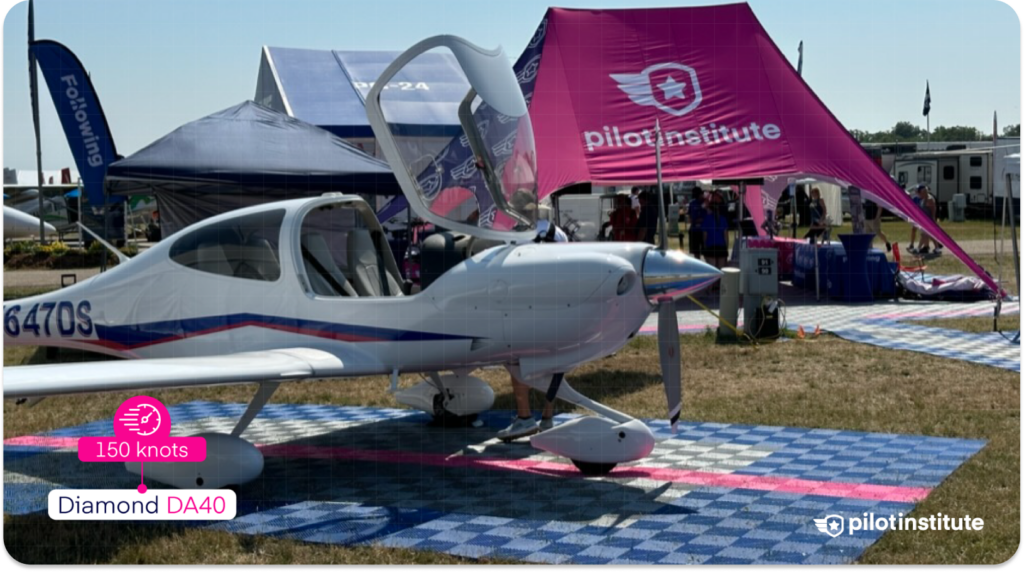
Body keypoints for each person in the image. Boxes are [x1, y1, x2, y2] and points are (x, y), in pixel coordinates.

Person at [703, 195, 730, 271]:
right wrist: (726, 248)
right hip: (721, 246)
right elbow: (726, 236)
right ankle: (721, 283)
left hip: (710, 246)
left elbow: (705, 235)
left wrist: (705, 247)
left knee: (712, 270)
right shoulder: (723, 219)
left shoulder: (707, 219)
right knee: (721, 269)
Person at [914, 184, 941, 255]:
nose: (919, 194)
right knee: (929, 235)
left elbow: (933, 210)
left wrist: (933, 219)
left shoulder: (930, 199)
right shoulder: (923, 199)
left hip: (929, 220)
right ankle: (936, 248)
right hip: (924, 220)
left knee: (925, 235)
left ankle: (918, 248)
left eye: (920, 192)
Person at [686, 187, 705, 257]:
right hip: (694, 230)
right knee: (695, 251)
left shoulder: (705, 202)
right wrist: (694, 220)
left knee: (705, 251)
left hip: (703, 230)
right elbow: (689, 217)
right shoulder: (692, 203)